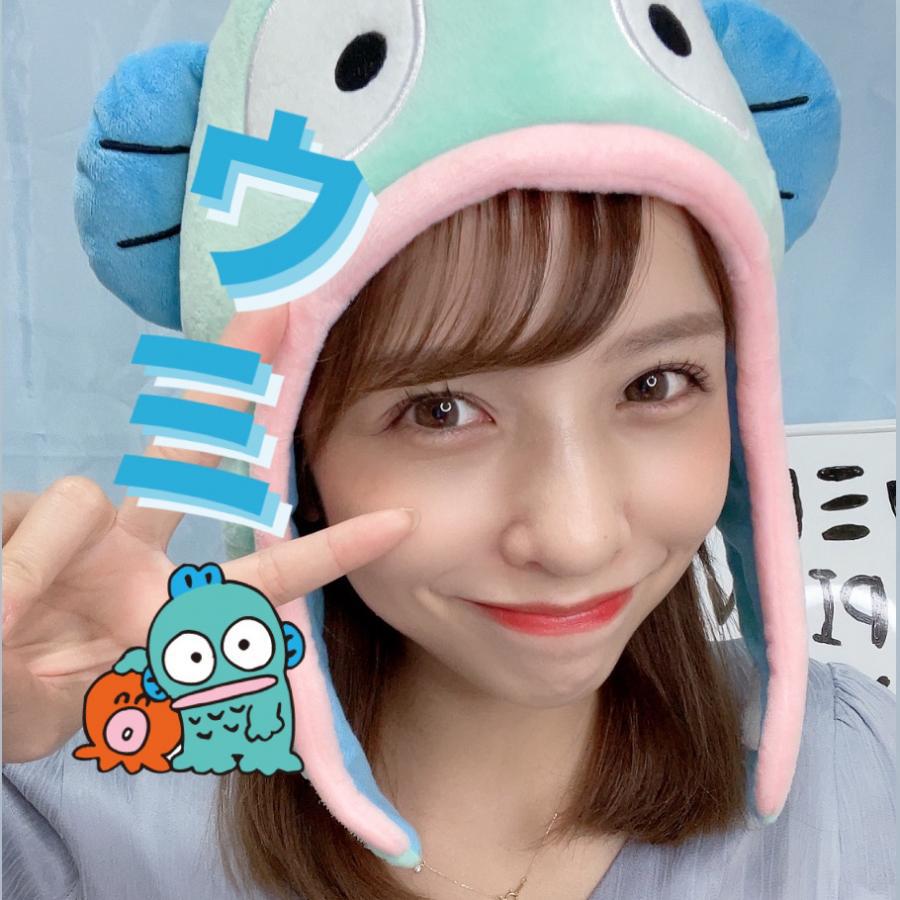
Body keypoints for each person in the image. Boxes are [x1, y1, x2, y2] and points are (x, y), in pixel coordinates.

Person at [3, 4, 895, 900]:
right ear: (293, 446)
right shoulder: (70, 824)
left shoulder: (859, 777)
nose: (577, 537)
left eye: (655, 384)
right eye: (440, 411)